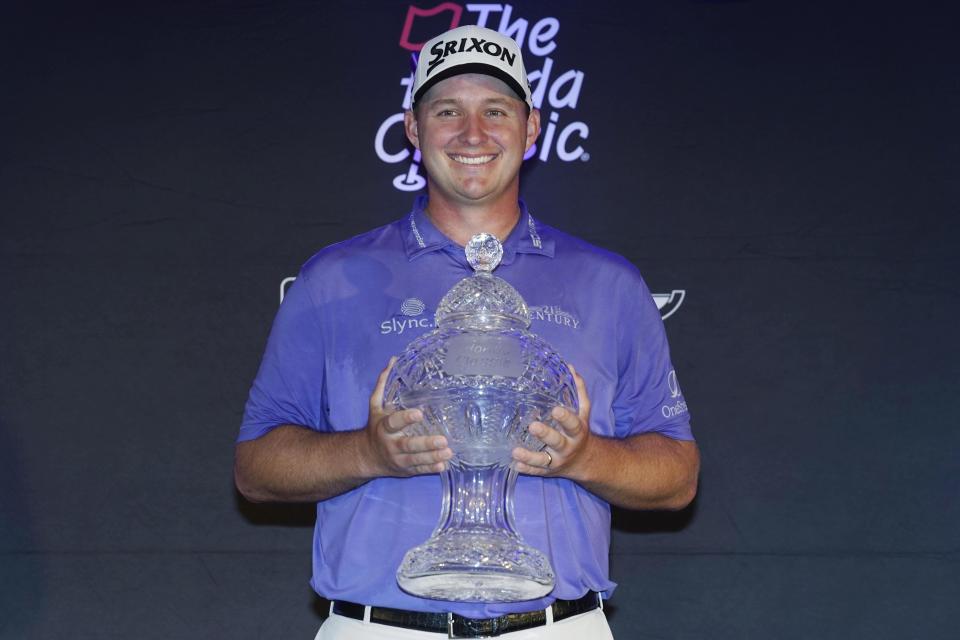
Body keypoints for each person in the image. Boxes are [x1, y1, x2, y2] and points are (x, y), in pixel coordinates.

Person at [235, 24, 699, 639]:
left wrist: (585, 456)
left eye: (496, 110)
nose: (473, 134)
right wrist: (368, 452)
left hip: (554, 628)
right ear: (413, 128)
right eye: (448, 110)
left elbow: (677, 476)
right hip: (382, 629)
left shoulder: (607, 283)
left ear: (531, 128)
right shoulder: (334, 280)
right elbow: (256, 468)